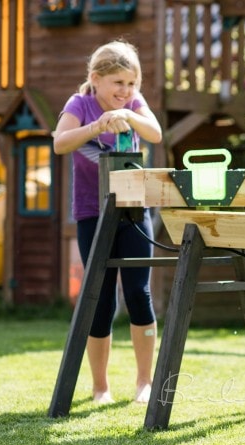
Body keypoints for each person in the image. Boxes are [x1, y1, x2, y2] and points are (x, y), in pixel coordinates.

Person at [53, 40, 163, 404]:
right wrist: (95, 126)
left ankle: (144, 382)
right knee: (100, 298)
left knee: (138, 293)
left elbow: (156, 133)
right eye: (117, 82)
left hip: (134, 211)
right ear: (96, 79)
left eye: (131, 84)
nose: (125, 91)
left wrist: (131, 115)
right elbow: (59, 143)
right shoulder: (79, 104)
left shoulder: (133, 105)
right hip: (92, 212)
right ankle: (100, 387)